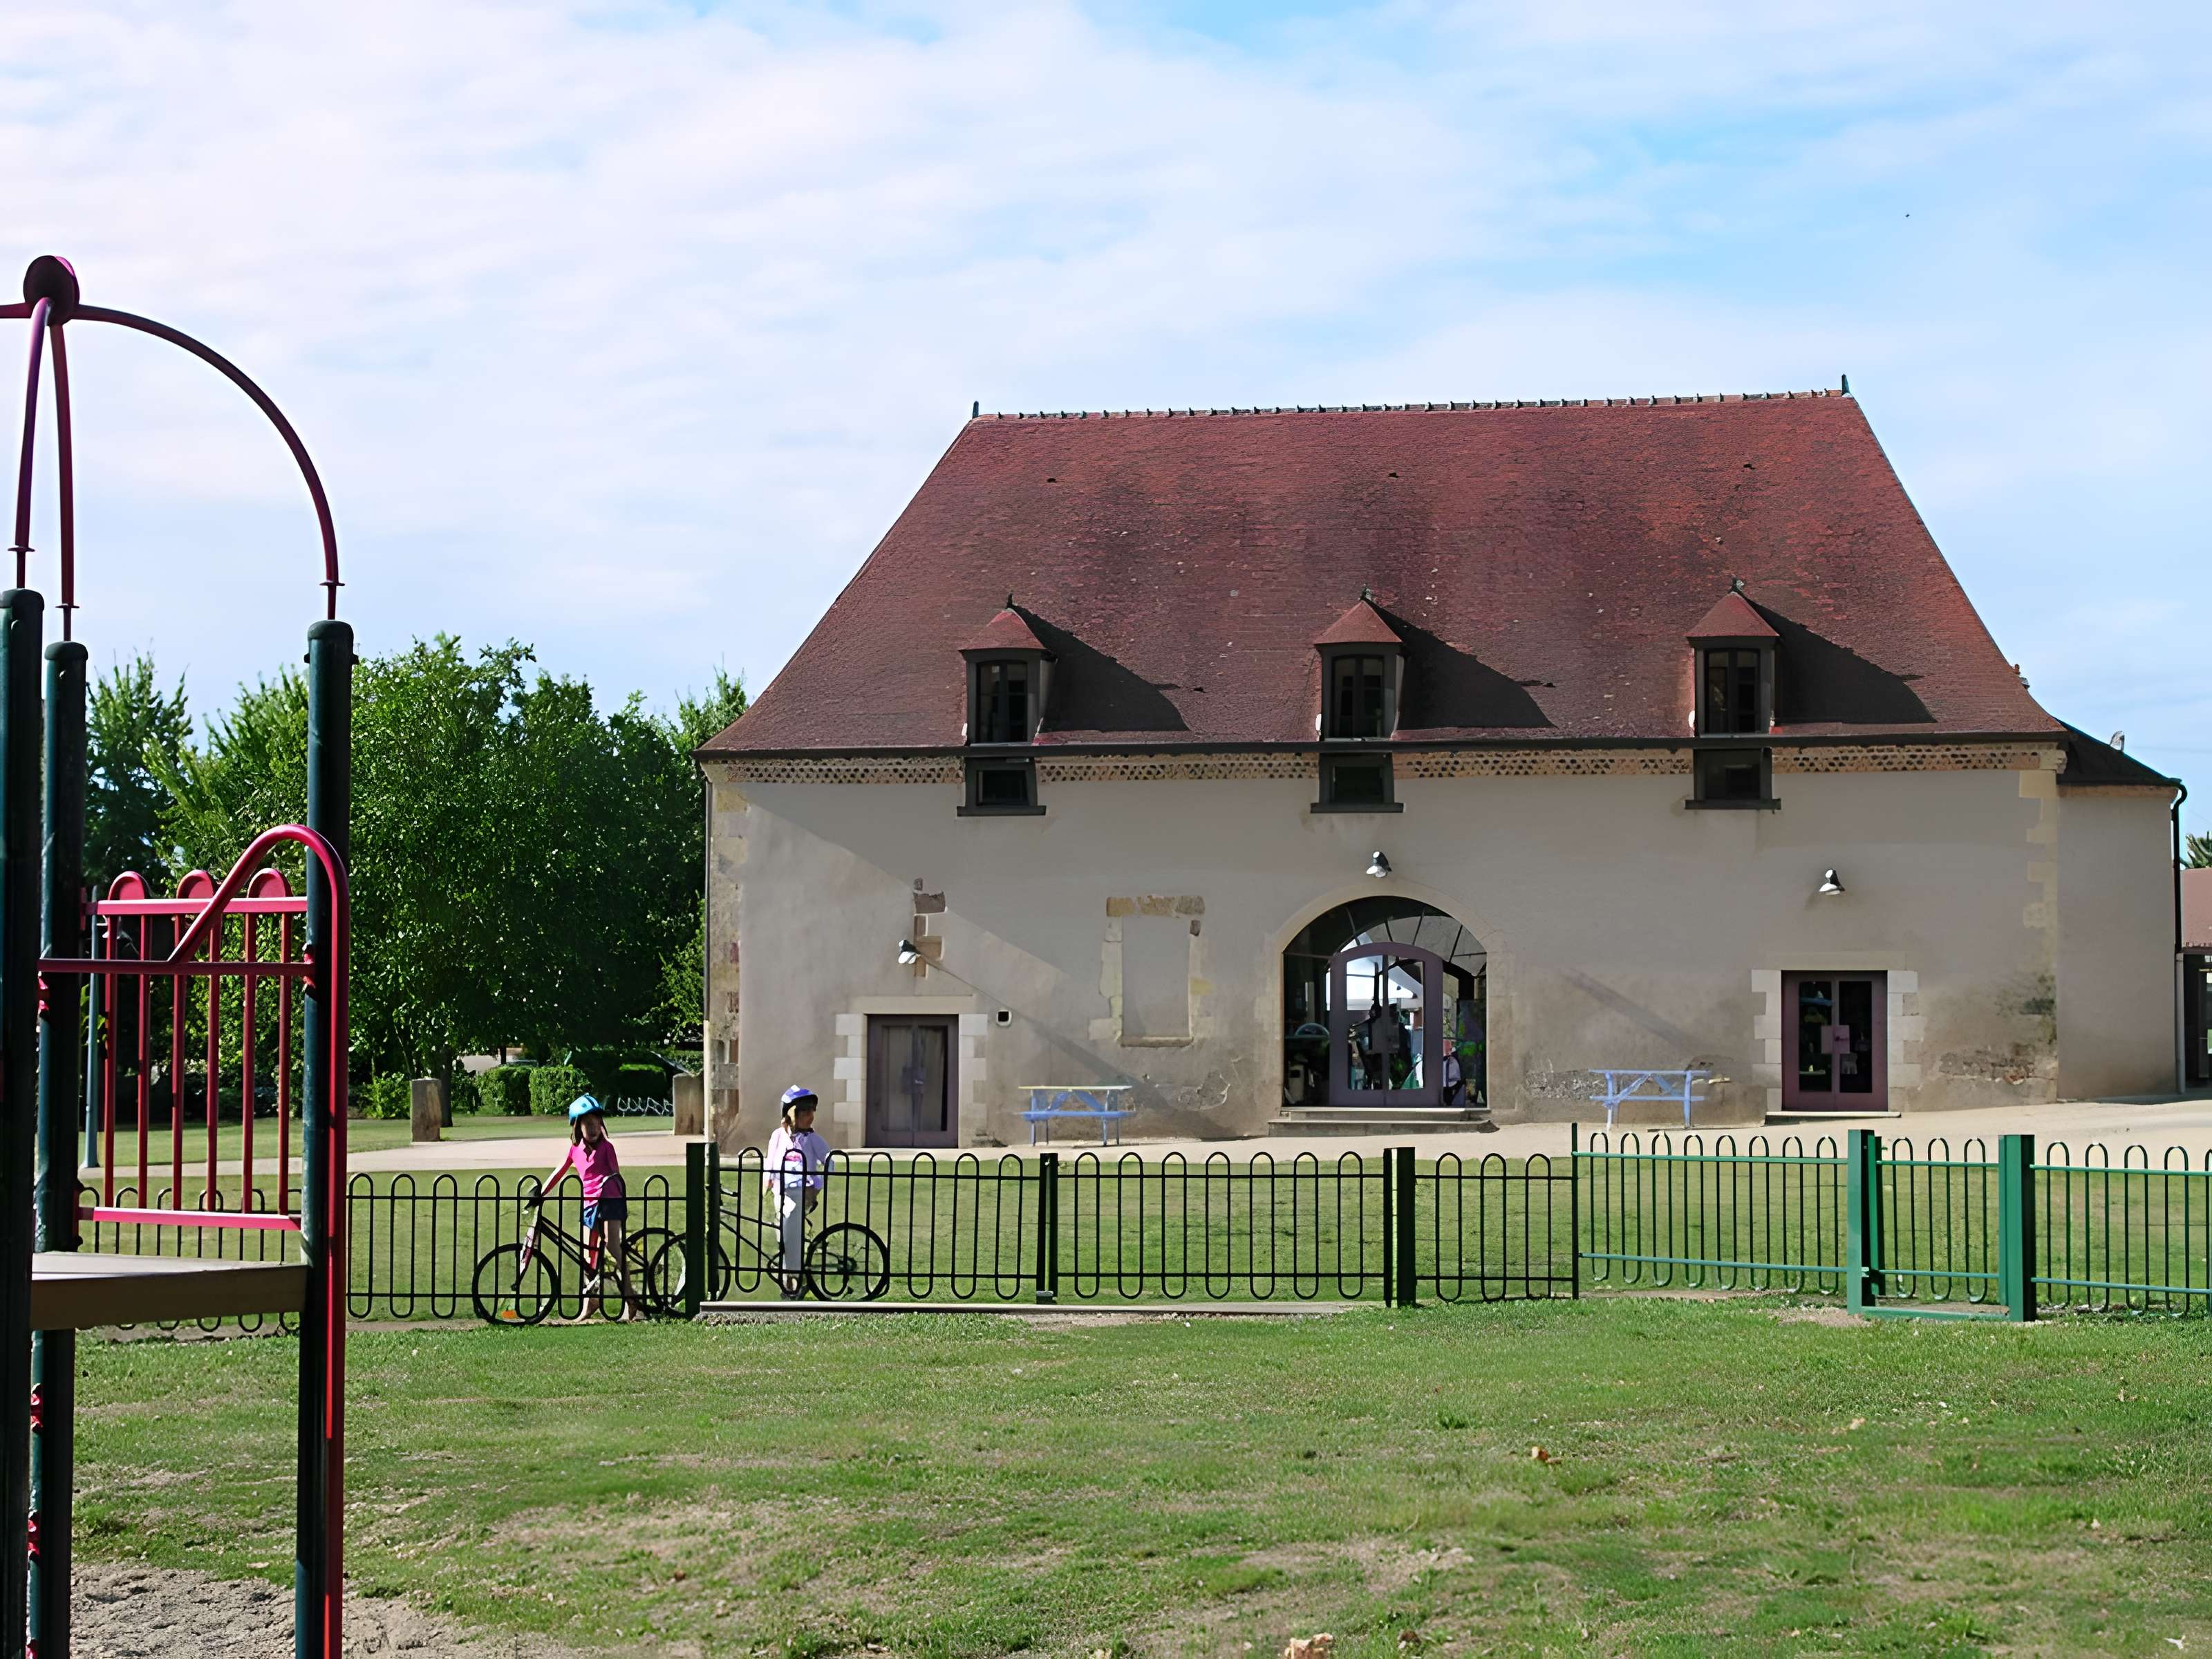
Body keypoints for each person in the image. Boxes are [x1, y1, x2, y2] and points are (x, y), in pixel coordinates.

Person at [538, 1095, 641, 1321]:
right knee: (588, 1256)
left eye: (597, 1124)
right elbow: (560, 1171)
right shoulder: (574, 1150)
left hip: (610, 1201)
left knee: (613, 1247)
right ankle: (591, 1302)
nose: (593, 1129)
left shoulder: (607, 1148)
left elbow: (616, 1175)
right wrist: (541, 1192)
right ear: (578, 1126)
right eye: (588, 1125)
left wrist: (612, 1193)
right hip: (589, 1205)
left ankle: (631, 1299)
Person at [764, 1085, 832, 1293]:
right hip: (782, 1191)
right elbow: (770, 1160)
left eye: (812, 1111)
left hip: (802, 1192)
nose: (810, 1116)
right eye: (804, 1112)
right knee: (783, 1234)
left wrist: (818, 1183)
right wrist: (767, 1182)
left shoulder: (812, 1139)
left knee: (790, 1228)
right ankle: (790, 1275)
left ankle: (792, 1280)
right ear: (791, 1113)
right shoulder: (778, 1136)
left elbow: (829, 1159)